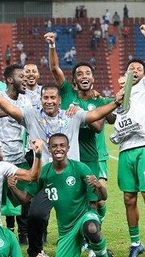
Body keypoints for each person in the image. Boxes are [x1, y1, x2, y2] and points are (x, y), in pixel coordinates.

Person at [0, 79, 123, 257]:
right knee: (35, 215)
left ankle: (93, 247)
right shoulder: (31, 115)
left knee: (88, 211)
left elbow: (95, 114)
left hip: (71, 176)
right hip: (46, 177)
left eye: (52, 97)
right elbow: (10, 109)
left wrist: (115, 103)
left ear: (59, 100)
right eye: (45, 97)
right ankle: (35, 253)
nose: (49, 101)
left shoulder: (71, 115)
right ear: (41, 99)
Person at [28, 134, 117, 257]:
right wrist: (13, 186)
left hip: (85, 216)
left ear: (68, 148)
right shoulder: (45, 172)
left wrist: (99, 186)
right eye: (54, 146)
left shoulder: (80, 168)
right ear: (49, 149)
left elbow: (102, 197)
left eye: (62, 145)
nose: (58, 149)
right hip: (66, 228)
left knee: (91, 228)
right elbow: (24, 199)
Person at [46, 32, 115, 224]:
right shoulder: (67, 92)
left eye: (88, 73)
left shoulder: (99, 100)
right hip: (68, 155)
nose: (84, 76)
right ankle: (78, 233)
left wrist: (79, 112)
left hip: (91, 155)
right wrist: (52, 45)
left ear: (92, 78)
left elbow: (98, 128)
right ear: (74, 81)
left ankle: (92, 234)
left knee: (96, 200)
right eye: (79, 74)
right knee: (74, 198)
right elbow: (54, 68)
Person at [108, 24, 145, 257]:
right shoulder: (121, 93)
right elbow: (115, 120)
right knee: (129, 198)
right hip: (125, 151)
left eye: (139, 69)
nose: (135, 71)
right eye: (131, 68)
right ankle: (135, 243)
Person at [0, 64, 32, 243]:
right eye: (21, 76)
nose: (25, 79)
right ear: (10, 80)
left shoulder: (26, 101)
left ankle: (24, 234)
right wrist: (9, 110)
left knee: (26, 197)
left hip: (19, 156)